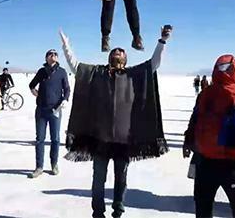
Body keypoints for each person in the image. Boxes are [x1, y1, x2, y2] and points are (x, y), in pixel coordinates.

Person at [60, 25, 172, 218]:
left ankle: (118, 211)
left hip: (123, 140)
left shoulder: (133, 75)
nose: (118, 52)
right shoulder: (97, 74)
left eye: (122, 51)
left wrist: (162, 41)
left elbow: (153, 63)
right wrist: (66, 46)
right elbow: (76, 67)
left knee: (121, 179)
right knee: (98, 179)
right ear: (110, 57)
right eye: (115, 51)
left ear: (125, 59)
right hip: (100, 139)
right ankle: (98, 213)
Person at [183, 55, 235, 218]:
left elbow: (194, 119)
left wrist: (188, 141)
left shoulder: (205, 93)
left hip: (204, 161)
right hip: (231, 163)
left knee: (203, 207)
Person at [27, 49, 71, 178]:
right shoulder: (42, 71)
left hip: (55, 110)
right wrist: (34, 92)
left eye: (55, 54)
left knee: (55, 139)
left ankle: (54, 164)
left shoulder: (62, 72)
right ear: (46, 58)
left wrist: (65, 100)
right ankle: (39, 167)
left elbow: (67, 88)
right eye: (51, 54)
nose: (54, 56)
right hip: (41, 110)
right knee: (40, 139)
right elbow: (32, 84)